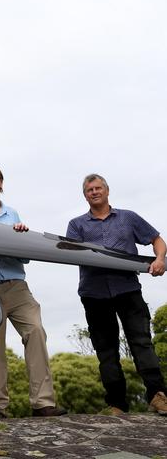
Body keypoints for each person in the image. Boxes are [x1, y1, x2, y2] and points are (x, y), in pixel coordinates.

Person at [0, 162, 66, 418]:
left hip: (17, 288)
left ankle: (43, 403)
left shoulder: (12, 214)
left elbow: (23, 255)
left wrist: (21, 235)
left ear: (1, 183)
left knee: (36, 331)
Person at [66, 173, 167, 416]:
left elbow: (156, 240)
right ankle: (117, 404)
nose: (94, 192)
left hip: (128, 289)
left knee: (141, 342)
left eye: (98, 188)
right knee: (106, 350)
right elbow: (69, 254)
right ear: (85, 195)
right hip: (94, 294)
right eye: (90, 190)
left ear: (107, 191)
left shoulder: (128, 218)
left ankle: (158, 396)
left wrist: (160, 259)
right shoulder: (76, 225)